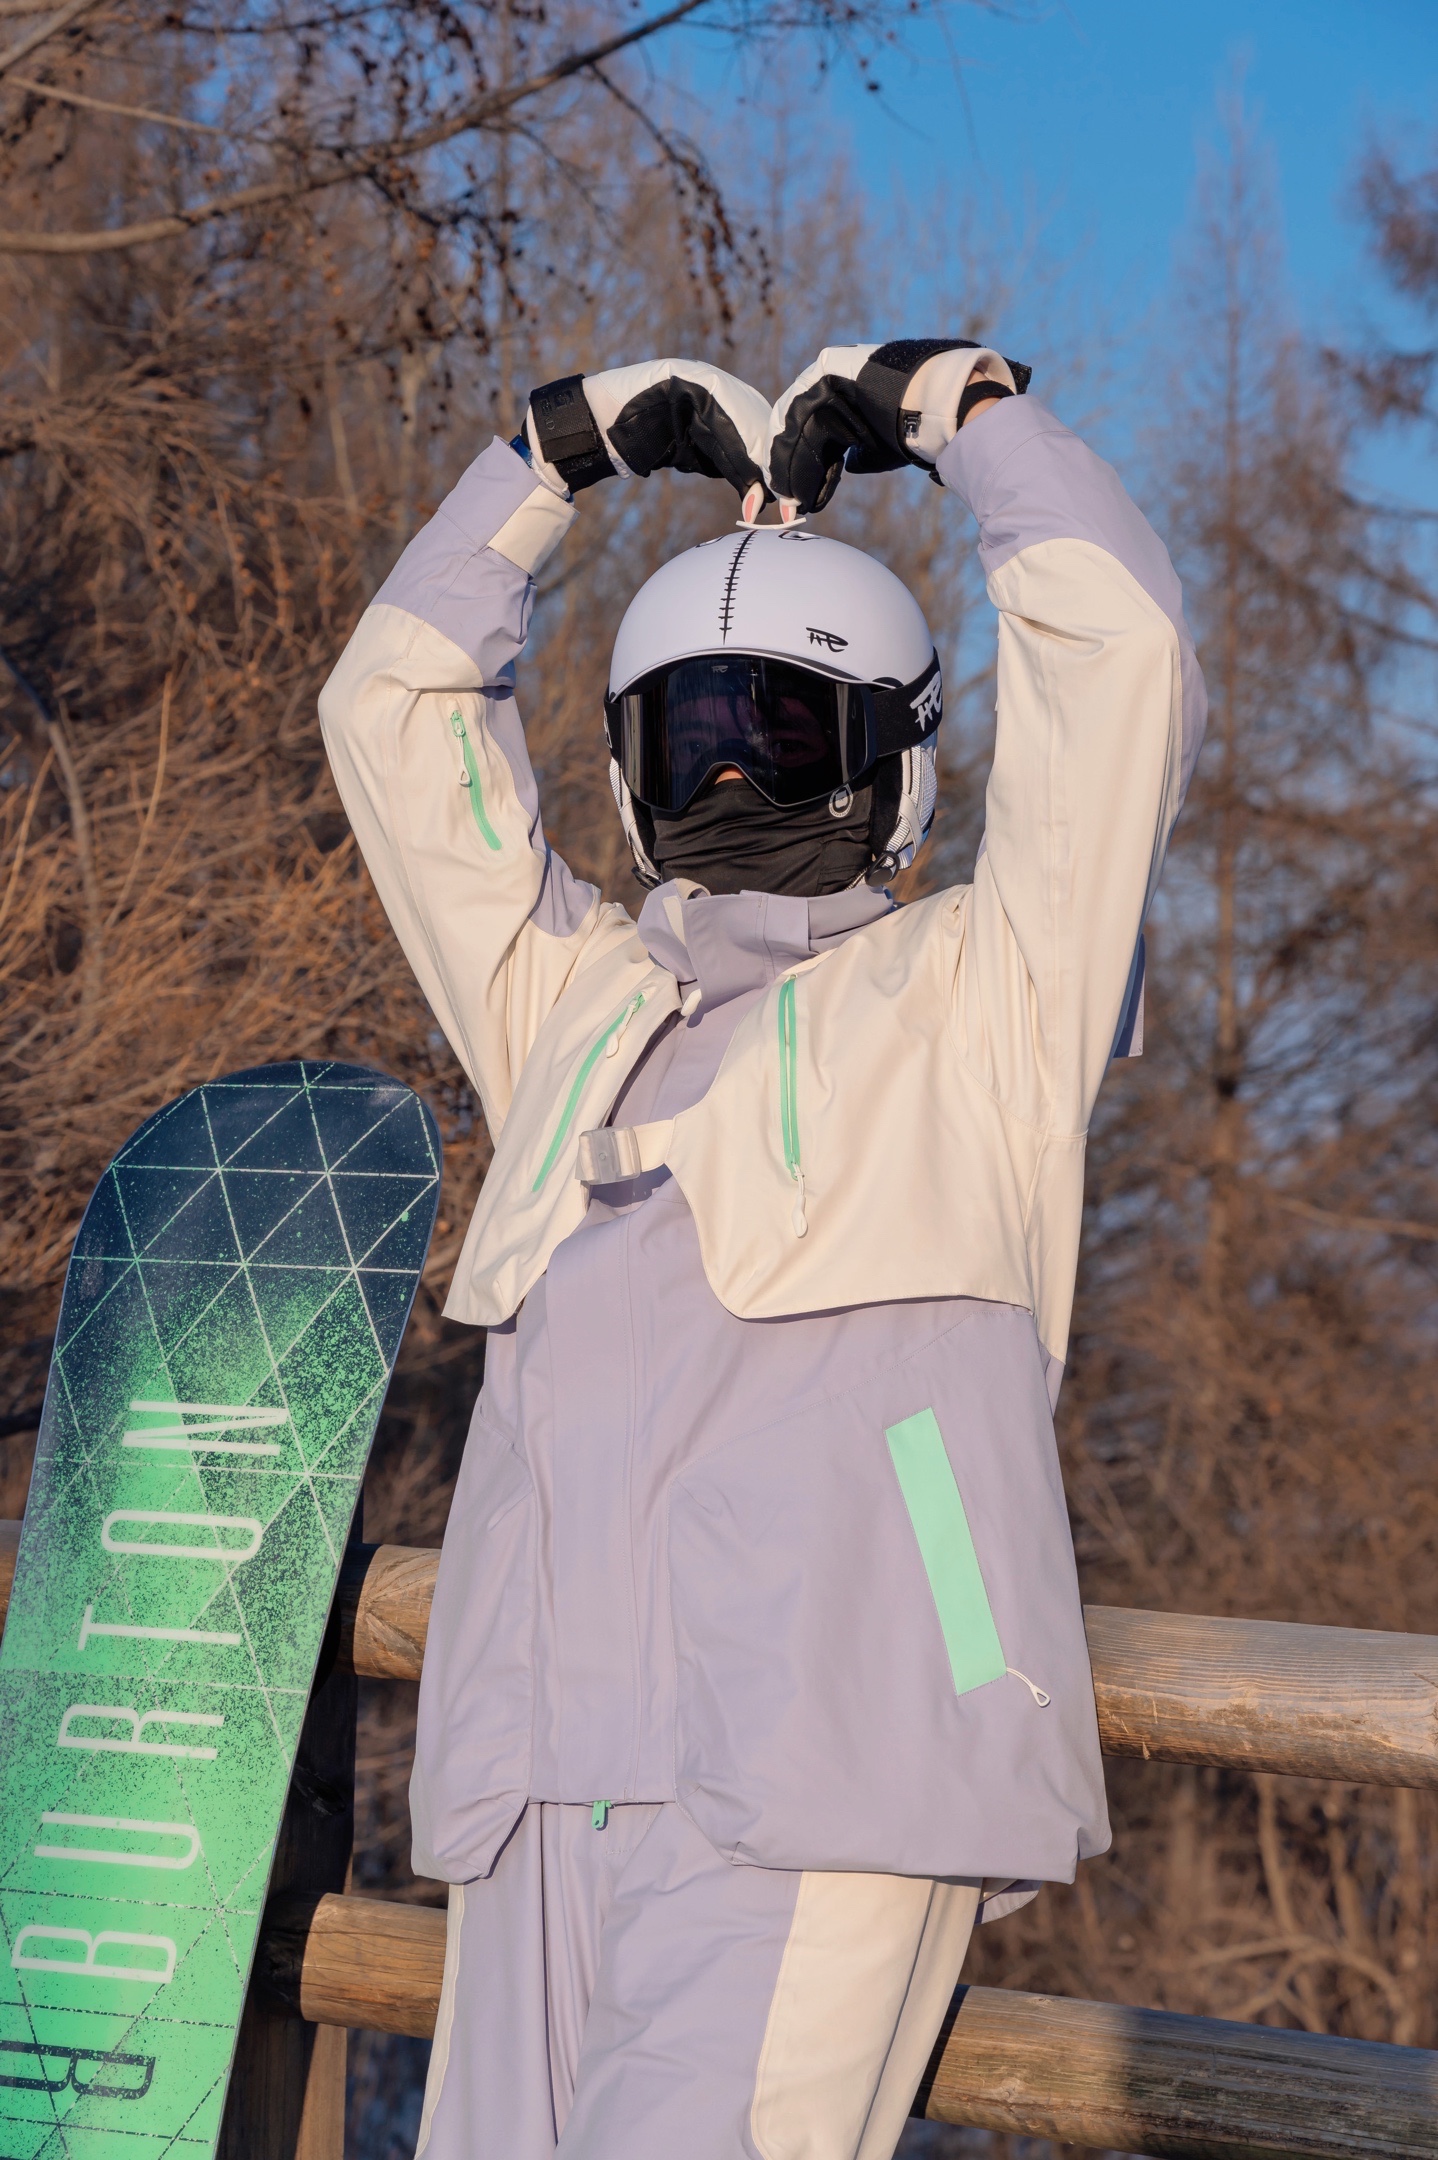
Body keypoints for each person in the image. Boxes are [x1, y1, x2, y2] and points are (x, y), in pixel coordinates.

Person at [318, 341, 1206, 2160]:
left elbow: (1118, 660)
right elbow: (391, 717)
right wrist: (547, 459)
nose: (732, 769)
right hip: (539, 1786)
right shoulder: (573, 1008)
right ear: (633, 769)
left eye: (782, 731)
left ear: (891, 755)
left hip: (830, 1772)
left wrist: (958, 412)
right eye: (688, 734)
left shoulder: (983, 997)